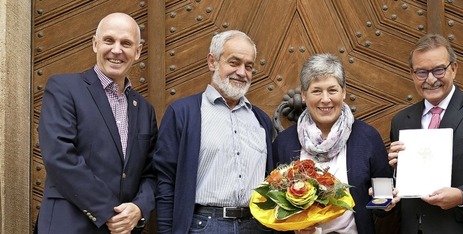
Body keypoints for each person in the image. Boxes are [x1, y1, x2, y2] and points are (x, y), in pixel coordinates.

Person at [36, 12, 156, 234]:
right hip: (68, 226)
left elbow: (151, 173)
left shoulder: (145, 110)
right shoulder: (63, 89)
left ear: (138, 51)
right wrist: (109, 212)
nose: (117, 50)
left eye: (126, 43)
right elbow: (59, 156)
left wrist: (139, 208)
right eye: (109, 40)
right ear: (95, 44)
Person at [153, 30, 274, 234]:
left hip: (256, 226)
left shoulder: (261, 120)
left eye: (249, 66)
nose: (242, 72)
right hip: (204, 225)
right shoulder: (184, 113)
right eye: (234, 63)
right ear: (212, 62)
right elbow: (165, 181)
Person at [387, 34, 463, 233]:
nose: (430, 79)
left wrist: (461, 195)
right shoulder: (401, 120)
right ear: (412, 74)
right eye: (421, 72)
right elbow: (400, 184)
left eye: (438, 70)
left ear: (454, 68)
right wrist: (395, 171)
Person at [272, 54, 393, 234]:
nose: (326, 99)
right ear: (304, 95)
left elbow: (384, 201)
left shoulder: (367, 138)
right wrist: (294, 226)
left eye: (332, 90)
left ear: (343, 92)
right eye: (317, 91)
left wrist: (386, 204)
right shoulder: (284, 143)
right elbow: (273, 205)